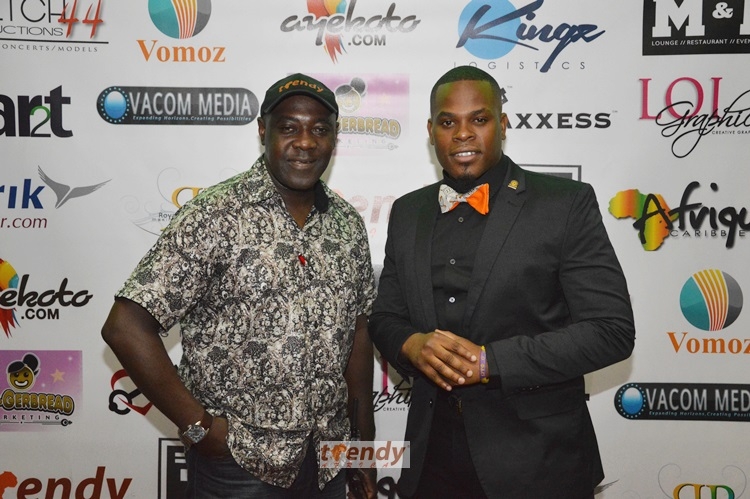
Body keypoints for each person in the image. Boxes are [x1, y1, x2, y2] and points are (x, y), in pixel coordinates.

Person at [101, 73, 377, 499]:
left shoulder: (347, 224)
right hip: (239, 465)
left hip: (328, 461)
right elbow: (125, 326)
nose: (305, 142)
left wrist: (362, 449)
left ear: (334, 137)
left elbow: (357, 332)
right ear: (263, 131)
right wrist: (201, 428)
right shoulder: (215, 214)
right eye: (289, 127)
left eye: (320, 129)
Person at [369, 65, 635, 499]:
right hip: (431, 459)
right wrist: (411, 345)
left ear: (504, 123)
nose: (462, 134)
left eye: (479, 119)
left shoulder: (564, 204)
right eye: (448, 122)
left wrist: (490, 362)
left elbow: (611, 331)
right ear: (431, 131)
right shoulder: (408, 212)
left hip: (538, 462)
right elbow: (385, 317)